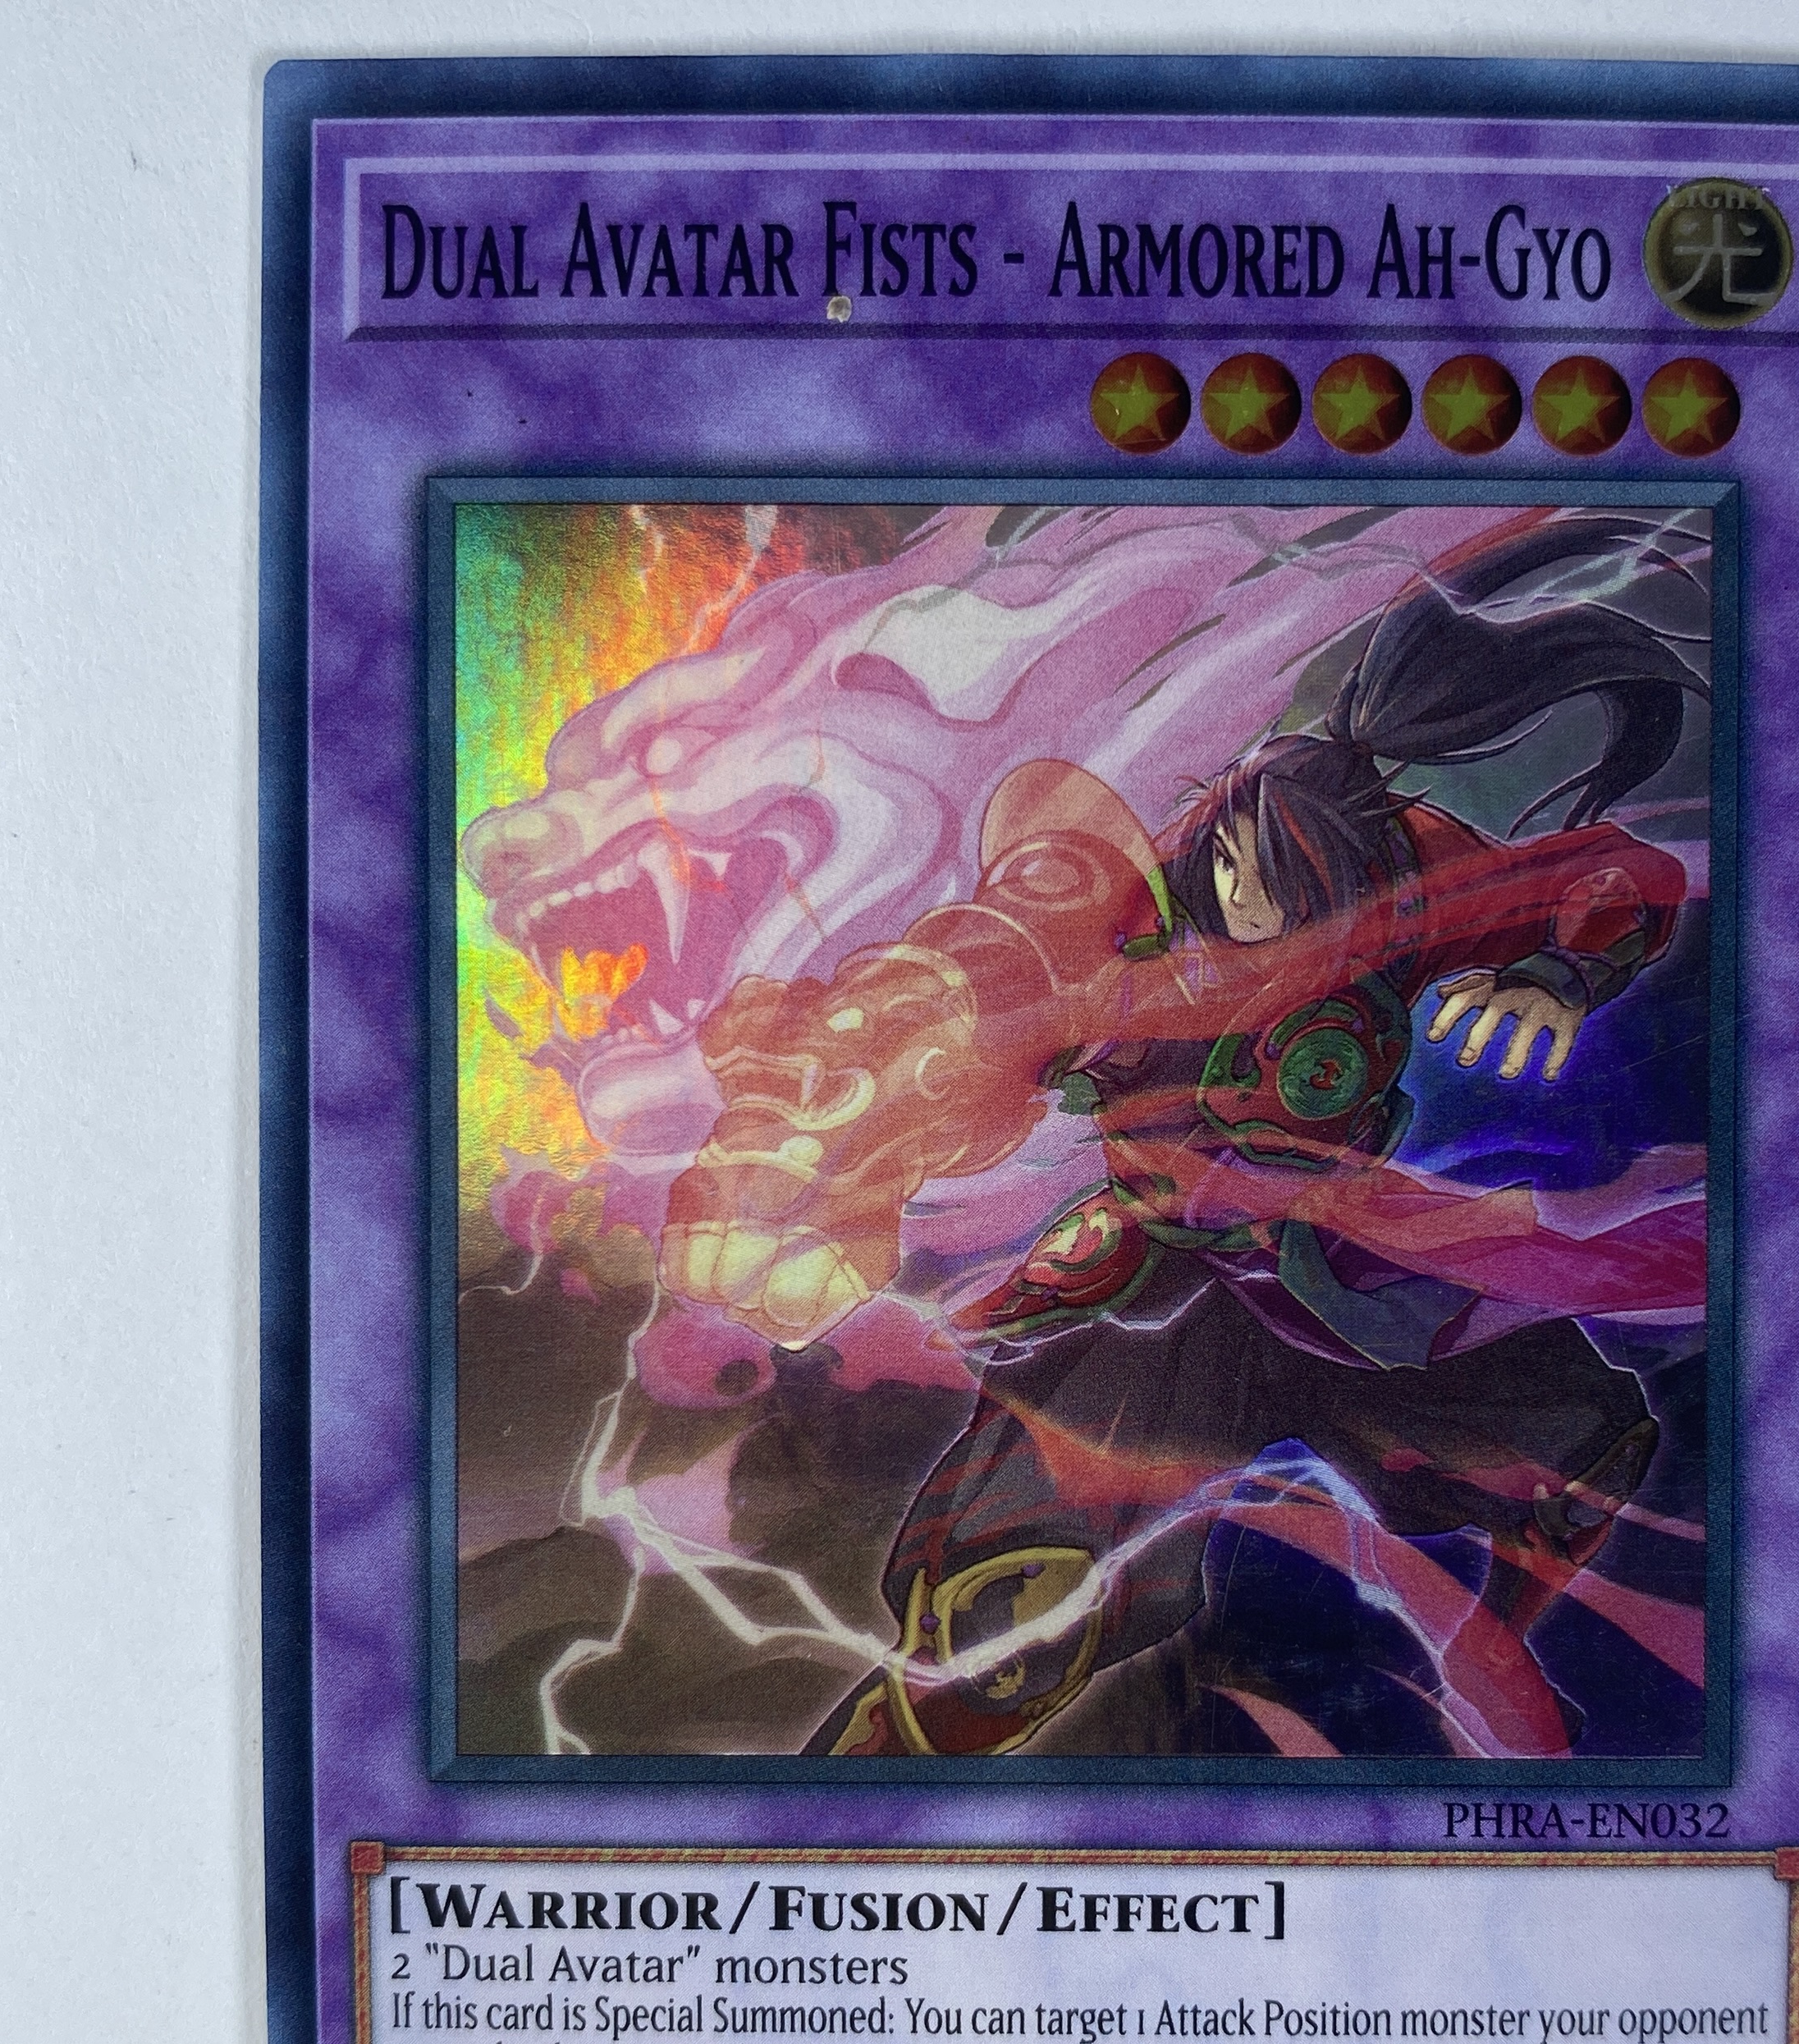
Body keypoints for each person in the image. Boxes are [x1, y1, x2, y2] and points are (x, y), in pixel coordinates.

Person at [656, 516, 1709, 1759]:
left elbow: (1611, 880)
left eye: (1287, 904)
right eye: (1239, 871)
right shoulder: (1122, 905)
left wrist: (1553, 977)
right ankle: (852, 1802)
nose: (1246, 906)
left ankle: (1498, 1677)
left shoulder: (1408, 884)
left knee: (1582, 1449)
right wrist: (830, 1164)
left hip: (1341, 1282)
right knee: (1012, 1596)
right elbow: (960, 990)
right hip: (1155, 1289)